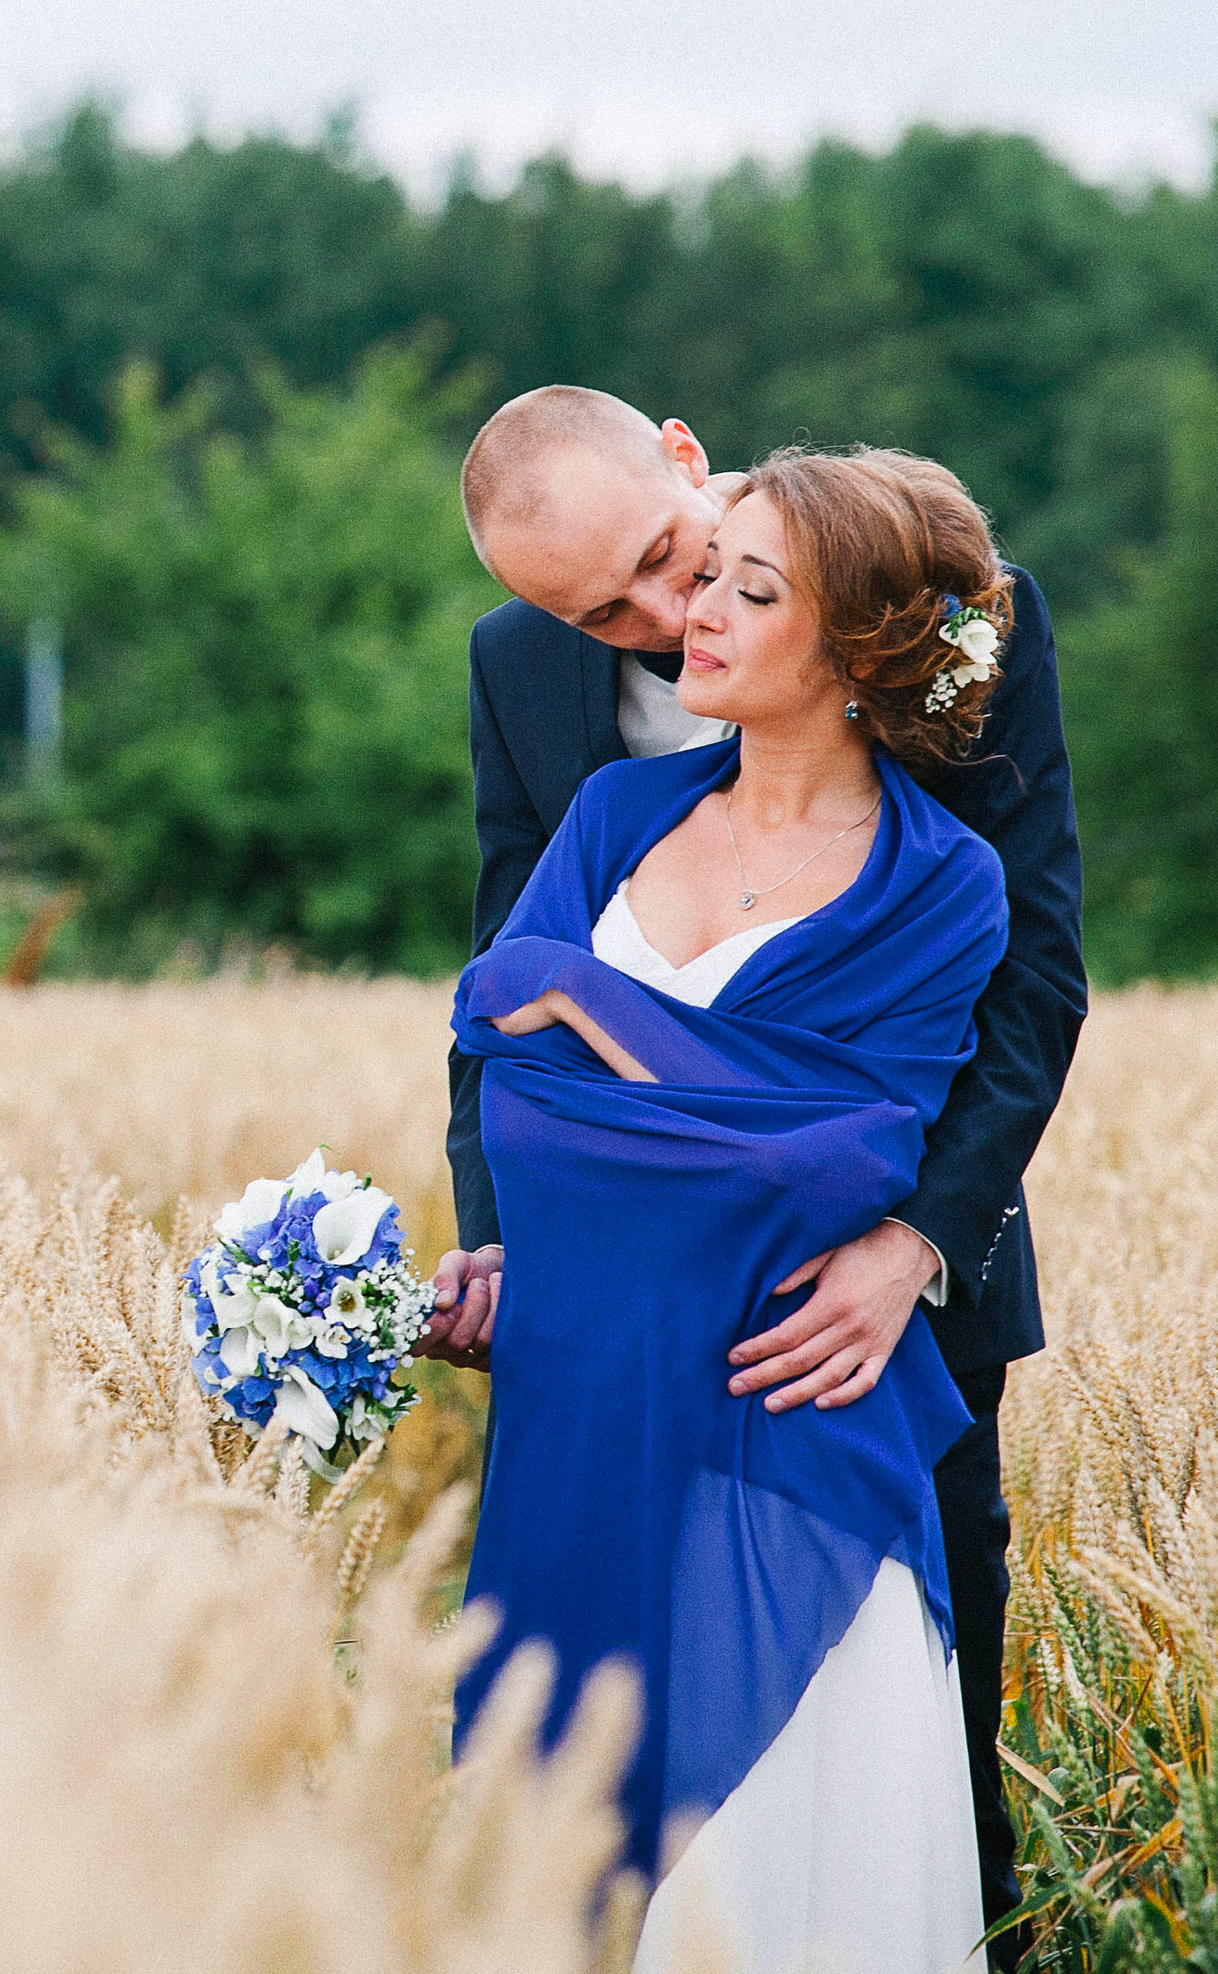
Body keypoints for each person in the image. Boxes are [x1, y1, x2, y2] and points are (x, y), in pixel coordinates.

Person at [425, 395, 1085, 1969]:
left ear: (679, 448)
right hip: (606, 1332)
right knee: (593, 1759)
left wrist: (913, 1241)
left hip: (858, 1317)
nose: (663, 624)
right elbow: (506, 994)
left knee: (894, 1762)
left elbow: (1031, 974)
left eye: (675, 563)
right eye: (604, 614)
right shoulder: (531, 693)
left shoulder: (950, 605)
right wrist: (507, 1241)